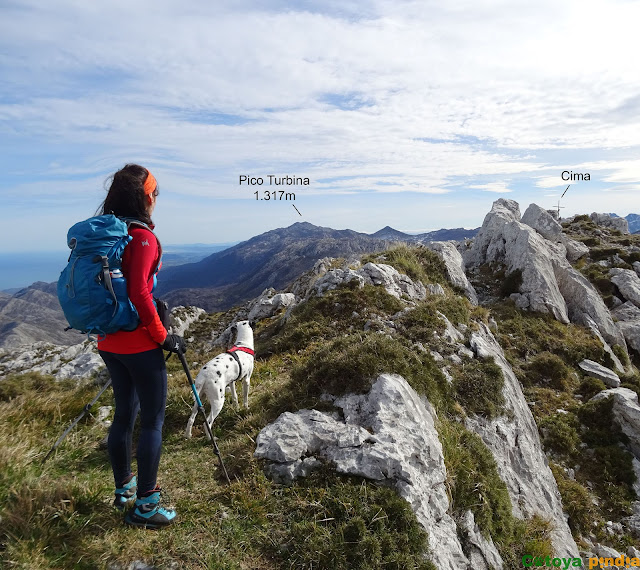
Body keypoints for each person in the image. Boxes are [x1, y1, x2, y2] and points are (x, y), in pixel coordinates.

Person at [96, 164, 185, 529]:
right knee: (152, 421)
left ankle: (124, 491)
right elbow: (139, 292)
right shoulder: (142, 238)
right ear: (145, 196)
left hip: (108, 340)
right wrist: (163, 336)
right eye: (155, 193)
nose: (156, 199)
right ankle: (147, 505)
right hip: (139, 344)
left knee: (123, 415)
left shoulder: (106, 234)